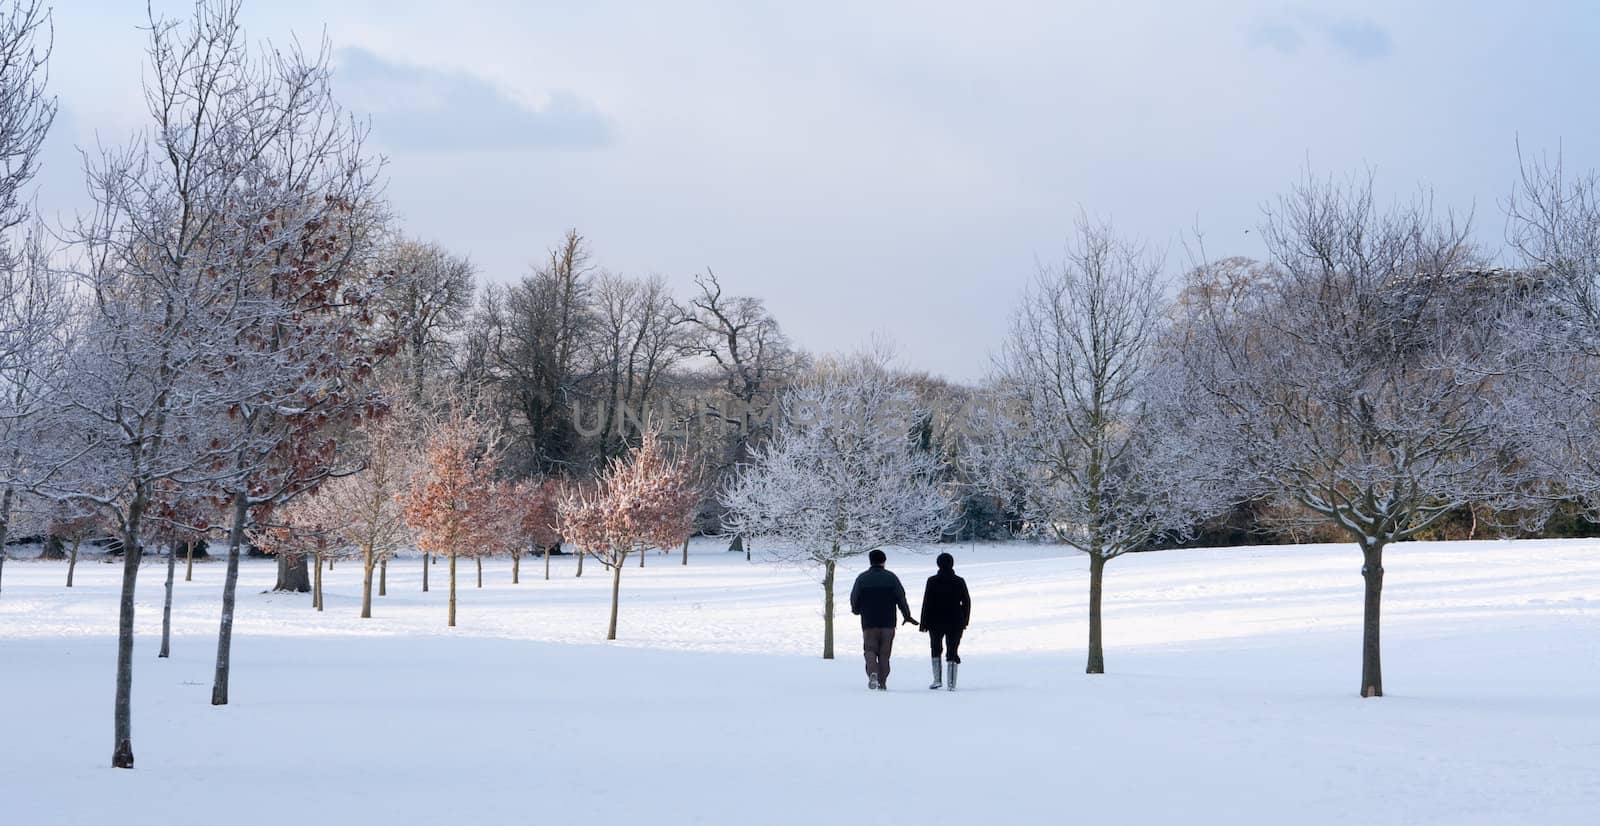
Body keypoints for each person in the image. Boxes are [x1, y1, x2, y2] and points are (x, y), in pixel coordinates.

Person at [849, 549, 916, 690]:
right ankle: (883, 683)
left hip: (869, 623)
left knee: (870, 650)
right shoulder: (891, 578)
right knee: (885, 654)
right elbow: (901, 598)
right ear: (884, 561)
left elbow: (854, 598)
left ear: (870, 561)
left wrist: (856, 610)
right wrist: (907, 615)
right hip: (888, 623)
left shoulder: (862, 578)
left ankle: (873, 673)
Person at [919, 552, 971, 691]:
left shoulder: (932, 581)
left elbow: (927, 602)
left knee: (936, 648)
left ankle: (937, 680)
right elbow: (966, 601)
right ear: (952, 564)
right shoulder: (959, 581)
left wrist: (923, 622)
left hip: (935, 620)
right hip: (955, 620)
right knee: (953, 649)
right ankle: (951, 683)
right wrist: (965, 619)